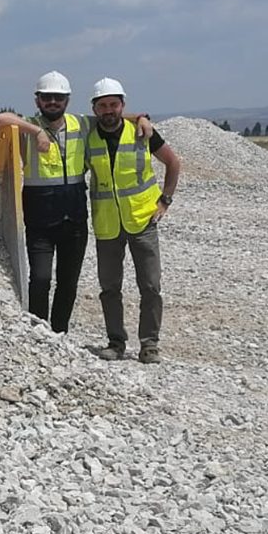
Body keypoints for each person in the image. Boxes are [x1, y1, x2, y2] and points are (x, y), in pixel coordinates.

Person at [0, 72, 151, 335]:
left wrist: (142, 118)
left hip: (74, 219)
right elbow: (0, 119)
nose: (53, 102)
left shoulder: (80, 124)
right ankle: (38, 330)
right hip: (39, 218)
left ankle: (59, 332)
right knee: (41, 278)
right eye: (47, 98)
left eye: (58, 98)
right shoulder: (27, 126)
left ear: (67, 100)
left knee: (68, 281)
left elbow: (111, 117)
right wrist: (37, 132)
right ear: (38, 101)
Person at [83, 78, 180, 365]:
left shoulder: (142, 133)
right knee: (109, 288)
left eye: (114, 104)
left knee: (150, 285)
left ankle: (149, 345)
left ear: (122, 105)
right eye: (102, 106)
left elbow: (173, 163)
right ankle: (115, 342)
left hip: (142, 219)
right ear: (95, 109)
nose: (108, 110)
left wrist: (165, 200)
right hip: (107, 224)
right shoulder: (89, 138)